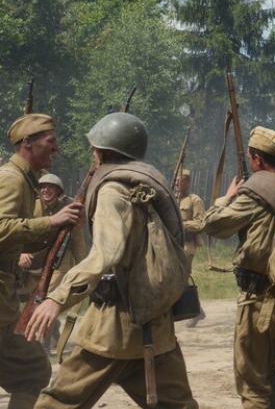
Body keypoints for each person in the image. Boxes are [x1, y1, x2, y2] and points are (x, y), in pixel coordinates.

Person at [25, 111, 198, 409]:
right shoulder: (146, 185)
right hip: (154, 326)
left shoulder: (112, 190)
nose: (93, 155)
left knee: (57, 403)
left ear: (103, 152)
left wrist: (57, 297)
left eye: (94, 149)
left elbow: (107, 252)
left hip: (113, 329)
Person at [203, 126, 275, 409]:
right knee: (272, 379)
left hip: (257, 305)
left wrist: (227, 197)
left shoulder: (255, 195)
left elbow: (213, 225)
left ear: (256, 160)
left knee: (253, 387)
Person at [0, 114, 80, 408]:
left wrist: (61, 225)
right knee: (32, 372)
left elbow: (23, 237)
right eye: (50, 141)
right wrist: (50, 221)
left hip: (4, 303)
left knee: (32, 371)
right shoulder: (11, 179)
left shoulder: (24, 180)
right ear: (27, 143)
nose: (55, 148)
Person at [20, 173, 87, 352]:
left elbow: (77, 240)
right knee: (28, 300)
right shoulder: (31, 206)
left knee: (44, 301)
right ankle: (53, 330)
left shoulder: (68, 207)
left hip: (58, 264)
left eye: (51, 187)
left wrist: (85, 268)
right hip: (32, 265)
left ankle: (44, 345)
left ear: (58, 191)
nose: (46, 190)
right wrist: (22, 252)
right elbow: (21, 229)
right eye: (42, 187)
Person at [176, 169, 205, 258]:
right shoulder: (171, 198)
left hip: (186, 245)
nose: (176, 183)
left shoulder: (195, 200)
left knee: (184, 271)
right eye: (176, 181)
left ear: (188, 182)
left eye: (180, 181)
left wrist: (181, 225)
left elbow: (200, 224)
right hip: (172, 243)